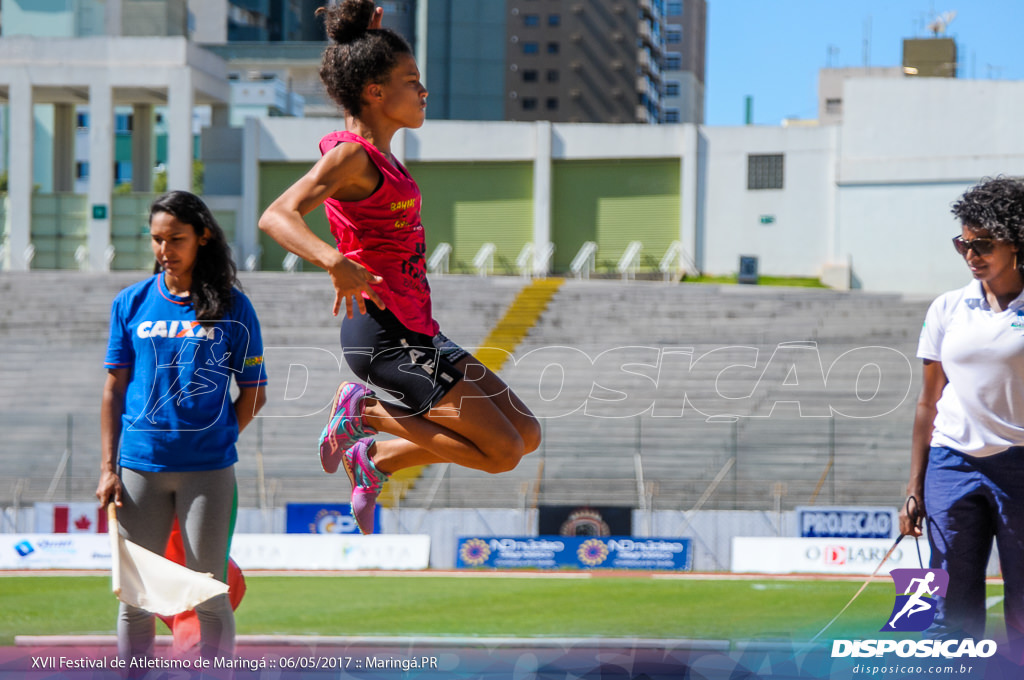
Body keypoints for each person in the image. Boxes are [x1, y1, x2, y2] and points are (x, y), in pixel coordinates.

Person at [258, 0, 541, 535]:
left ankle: (377, 458)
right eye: (411, 81)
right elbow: (277, 215)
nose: (423, 91)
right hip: (384, 336)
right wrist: (332, 261)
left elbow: (353, 84)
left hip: (419, 331)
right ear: (376, 92)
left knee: (526, 433)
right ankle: (362, 414)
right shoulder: (350, 157)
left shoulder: (374, 149)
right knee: (501, 452)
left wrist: (366, 40)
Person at [96, 190, 268, 666]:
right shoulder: (131, 303)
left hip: (208, 472)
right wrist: (109, 467)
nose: (165, 250)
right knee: (137, 600)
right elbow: (113, 391)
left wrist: (218, 437)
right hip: (139, 470)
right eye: (157, 239)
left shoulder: (235, 307)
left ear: (203, 237)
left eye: (176, 238)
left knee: (208, 594)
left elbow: (254, 392)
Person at [899, 176, 1024, 661]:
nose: (971, 254)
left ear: (1017, 243)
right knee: (948, 602)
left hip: (1019, 465)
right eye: (963, 243)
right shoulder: (948, 307)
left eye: (984, 244)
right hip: (951, 465)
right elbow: (928, 403)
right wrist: (915, 484)